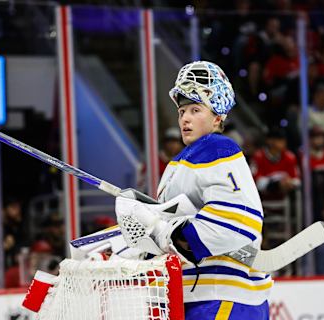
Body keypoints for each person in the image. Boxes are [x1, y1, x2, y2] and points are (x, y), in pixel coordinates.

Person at [116, 61, 271, 319]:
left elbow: (239, 223)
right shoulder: (181, 161)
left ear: (217, 117)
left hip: (222, 297)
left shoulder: (218, 149)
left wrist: (164, 232)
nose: (185, 118)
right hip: (194, 296)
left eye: (195, 110)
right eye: (182, 111)